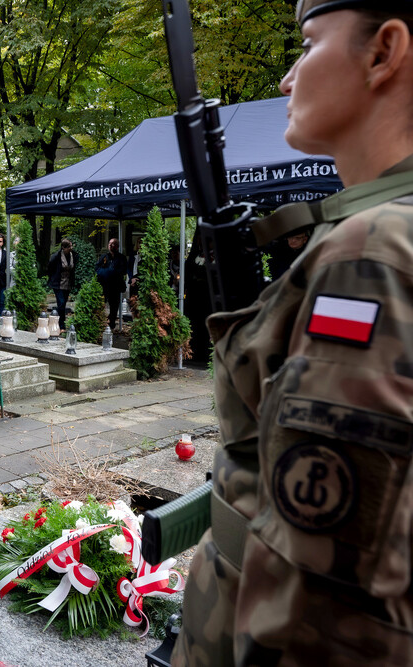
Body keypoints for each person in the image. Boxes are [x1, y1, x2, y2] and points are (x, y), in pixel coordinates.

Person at [173, 2, 413, 664]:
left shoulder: (374, 251)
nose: (286, 79)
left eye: (308, 44)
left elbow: (329, 610)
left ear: (383, 52)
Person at [95, 237, 127, 332]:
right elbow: (97, 268)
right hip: (104, 285)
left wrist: (112, 272)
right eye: (109, 243)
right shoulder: (104, 257)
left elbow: (122, 271)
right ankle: (100, 323)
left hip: (115, 286)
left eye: (112, 244)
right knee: (101, 303)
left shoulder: (121, 258)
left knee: (114, 306)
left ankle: (112, 324)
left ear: (116, 246)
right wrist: (106, 272)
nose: (110, 245)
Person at [46, 239, 75, 333]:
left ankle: (56, 322)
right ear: (63, 248)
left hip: (67, 283)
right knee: (61, 303)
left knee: (63, 303)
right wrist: (52, 277)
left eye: (71, 246)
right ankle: (60, 325)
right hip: (58, 283)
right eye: (69, 247)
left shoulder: (72, 255)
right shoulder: (56, 257)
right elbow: (49, 268)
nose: (71, 248)